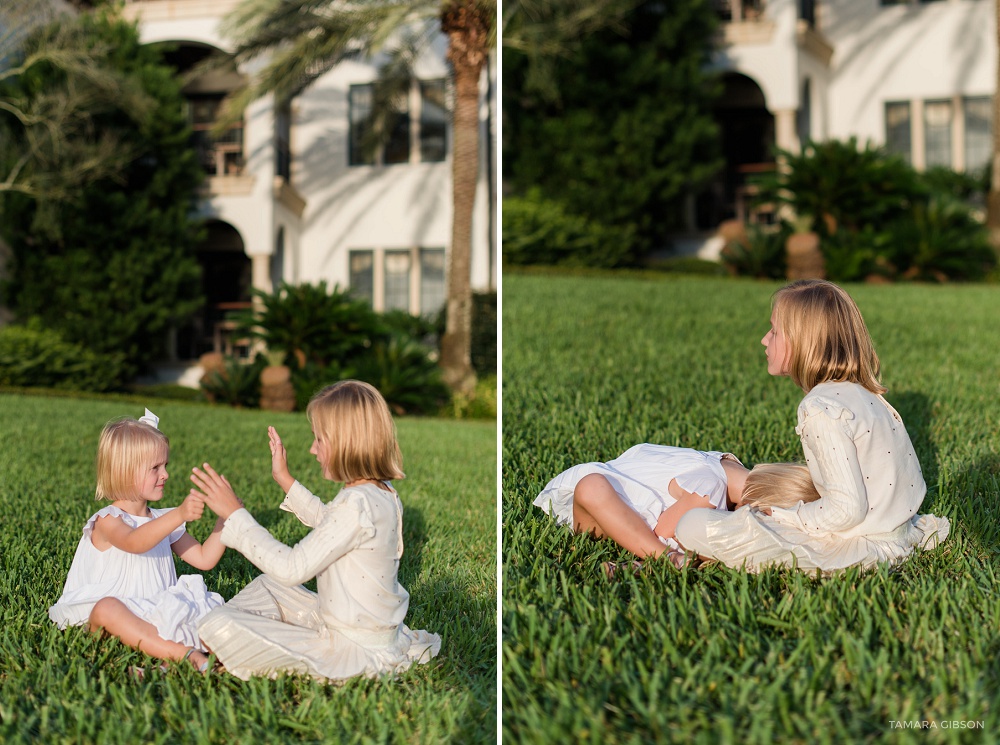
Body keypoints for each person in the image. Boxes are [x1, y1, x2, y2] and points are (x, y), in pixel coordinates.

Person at [674, 279, 950, 574]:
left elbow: (847, 509)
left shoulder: (820, 409)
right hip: (900, 532)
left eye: (775, 332)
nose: (764, 340)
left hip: (862, 547)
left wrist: (784, 517)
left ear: (803, 342)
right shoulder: (866, 395)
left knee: (692, 525)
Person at [190, 380, 441, 682]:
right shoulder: (380, 493)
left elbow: (292, 567)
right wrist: (284, 478)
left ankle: (214, 651)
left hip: (352, 650)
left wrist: (235, 516)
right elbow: (330, 525)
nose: (312, 449)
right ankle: (225, 646)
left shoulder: (356, 503)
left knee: (218, 623)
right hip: (363, 632)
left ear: (347, 442)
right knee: (267, 586)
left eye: (319, 439)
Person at [48, 410, 225, 673]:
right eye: (155, 468)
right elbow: (134, 542)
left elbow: (204, 558)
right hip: (117, 614)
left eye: (165, 465)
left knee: (205, 613)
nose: (165, 474)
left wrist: (225, 519)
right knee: (106, 609)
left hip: (156, 610)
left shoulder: (161, 519)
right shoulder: (108, 520)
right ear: (125, 471)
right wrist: (179, 514)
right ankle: (186, 655)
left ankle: (166, 666)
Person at [534, 444, 820, 569]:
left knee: (594, 483)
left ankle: (654, 563)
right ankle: (667, 561)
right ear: (759, 508)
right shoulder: (711, 491)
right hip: (591, 504)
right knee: (592, 486)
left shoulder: (728, 464)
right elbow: (664, 530)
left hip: (607, 482)